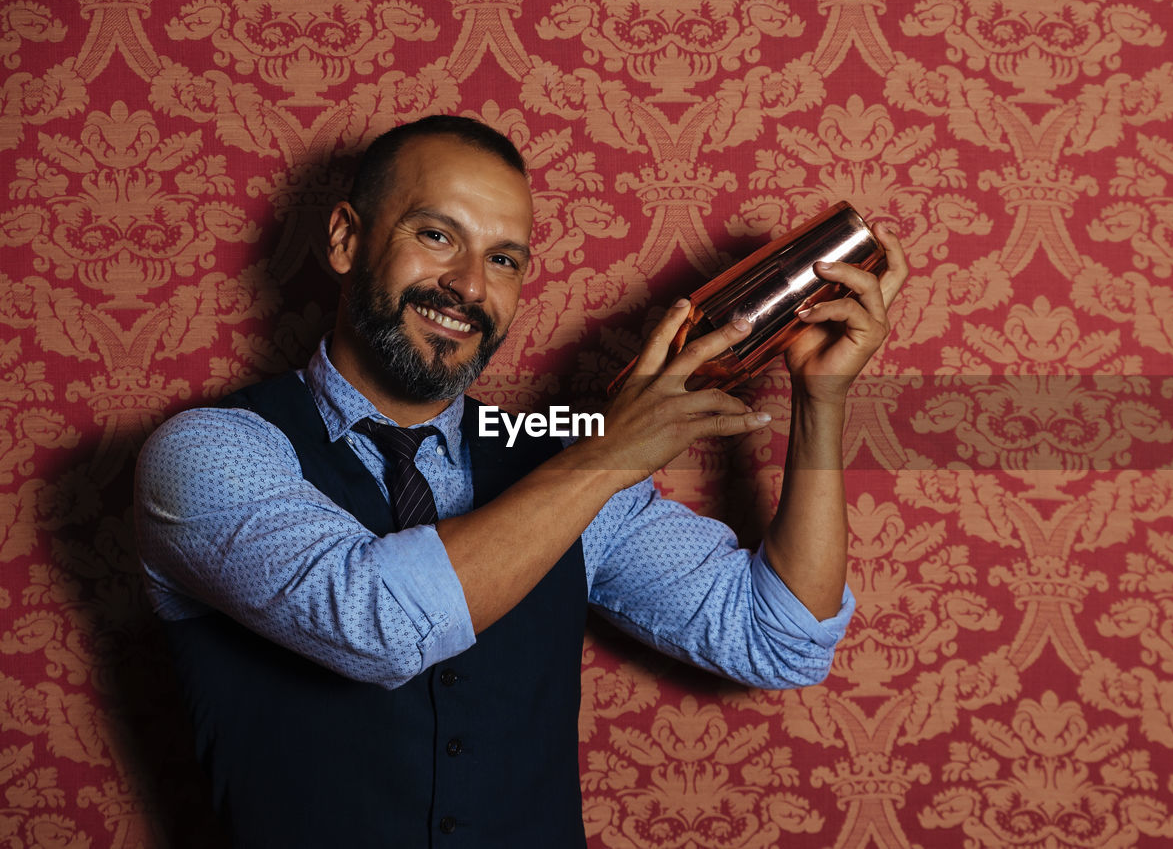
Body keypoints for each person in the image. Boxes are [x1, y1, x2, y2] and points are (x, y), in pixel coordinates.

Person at [135, 115, 908, 848]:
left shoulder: (543, 449)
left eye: (503, 260)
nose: (469, 287)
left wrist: (821, 398)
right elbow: (377, 626)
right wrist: (604, 457)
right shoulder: (210, 451)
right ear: (345, 239)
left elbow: (778, 640)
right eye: (437, 236)